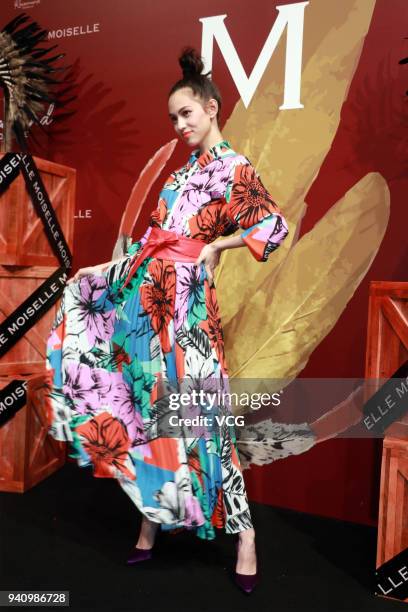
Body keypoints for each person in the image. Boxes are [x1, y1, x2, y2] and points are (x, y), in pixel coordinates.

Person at [45, 46, 289, 595]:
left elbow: (274, 227)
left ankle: (246, 535)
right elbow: (149, 245)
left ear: (212, 107)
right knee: (153, 414)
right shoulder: (179, 179)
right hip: (148, 309)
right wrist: (99, 269)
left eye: (188, 113)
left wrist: (217, 246)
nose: (181, 125)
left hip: (191, 314)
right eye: (174, 118)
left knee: (208, 420)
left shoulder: (235, 168)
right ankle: (150, 521)